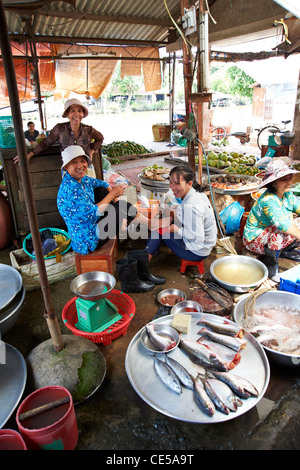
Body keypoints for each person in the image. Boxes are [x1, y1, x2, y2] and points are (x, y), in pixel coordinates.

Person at [57, 145, 164, 293]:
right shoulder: (70, 189)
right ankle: (149, 225)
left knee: (105, 194)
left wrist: (110, 194)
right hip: (88, 238)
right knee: (121, 205)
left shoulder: (81, 180)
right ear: (66, 167)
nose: (80, 165)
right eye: (74, 163)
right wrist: (112, 196)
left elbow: (100, 183)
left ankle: (133, 224)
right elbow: (93, 212)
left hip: (92, 224)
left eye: (82, 161)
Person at [140, 164, 217, 264]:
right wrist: (178, 210)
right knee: (164, 224)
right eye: (170, 182)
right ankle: (149, 255)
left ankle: (143, 264)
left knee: (159, 229)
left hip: (197, 251)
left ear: (189, 183)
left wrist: (176, 229)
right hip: (205, 245)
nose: (172, 187)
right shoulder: (197, 193)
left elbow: (198, 237)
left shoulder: (191, 205)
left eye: (177, 183)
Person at [243, 159, 300, 282]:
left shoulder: (287, 195)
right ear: (273, 183)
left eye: (290, 178)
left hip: (271, 232)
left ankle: (286, 251)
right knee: (279, 234)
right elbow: (285, 226)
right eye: (284, 179)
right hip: (254, 239)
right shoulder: (268, 200)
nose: (289, 182)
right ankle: (271, 265)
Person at [14, 98, 104, 165]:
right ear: (67, 115)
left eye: (79, 111)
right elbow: (45, 143)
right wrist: (29, 155)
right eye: (73, 111)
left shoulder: (88, 130)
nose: (77, 114)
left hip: (86, 167)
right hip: (69, 169)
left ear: (83, 114)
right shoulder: (60, 129)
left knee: (88, 190)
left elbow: (100, 138)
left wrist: (92, 149)